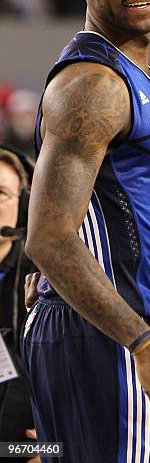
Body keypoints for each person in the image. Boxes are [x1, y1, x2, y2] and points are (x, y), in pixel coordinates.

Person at [21, 0, 150, 463]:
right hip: (111, 338)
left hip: (110, 326)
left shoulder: (126, 76)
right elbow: (48, 237)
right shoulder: (94, 85)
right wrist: (142, 341)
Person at [0, 147, 35, 453]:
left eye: (0, 193)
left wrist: (48, 450)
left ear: (23, 206)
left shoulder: (45, 278)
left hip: (21, 449)